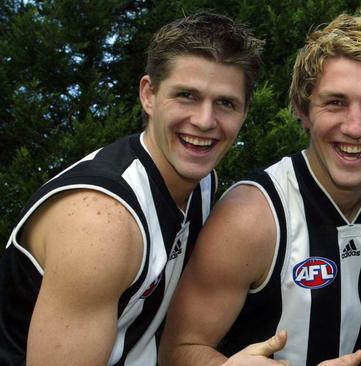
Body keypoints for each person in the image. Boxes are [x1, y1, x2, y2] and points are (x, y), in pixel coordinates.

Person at [0, 10, 265, 365]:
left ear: (245, 112)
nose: (205, 121)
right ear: (148, 95)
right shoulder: (102, 222)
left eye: (226, 103)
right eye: (186, 95)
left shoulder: (202, 184)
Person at [159, 12, 361, 366]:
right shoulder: (252, 216)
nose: (356, 127)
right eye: (335, 102)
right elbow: (177, 351)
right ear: (302, 109)